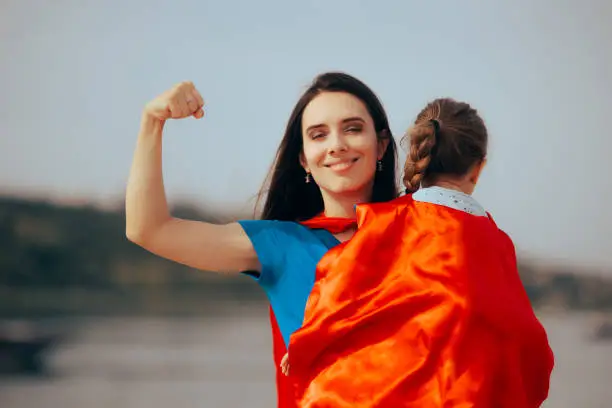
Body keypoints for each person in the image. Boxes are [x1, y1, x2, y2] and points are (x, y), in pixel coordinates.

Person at [124, 72, 399, 407]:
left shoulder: (424, 230)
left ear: (381, 144)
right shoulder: (281, 245)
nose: (336, 145)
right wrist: (152, 121)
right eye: (318, 135)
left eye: (352, 128)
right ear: (303, 160)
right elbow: (148, 229)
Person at [284, 98, 555, 407]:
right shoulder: (496, 242)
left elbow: (337, 285)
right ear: (478, 169)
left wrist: (303, 345)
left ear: (420, 152)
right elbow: (527, 340)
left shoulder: (387, 220)